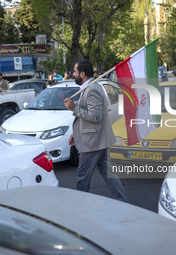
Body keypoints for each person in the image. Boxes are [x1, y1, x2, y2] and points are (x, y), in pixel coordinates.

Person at [64, 59, 127, 202]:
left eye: (74, 71)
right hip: (97, 140)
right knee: (109, 175)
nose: (73, 74)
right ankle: (123, 202)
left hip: (92, 143)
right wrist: (76, 133)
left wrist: (74, 108)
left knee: (82, 177)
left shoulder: (92, 89)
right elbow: (89, 117)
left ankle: (80, 205)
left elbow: (95, 116)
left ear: (82, 73)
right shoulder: (90, 87)